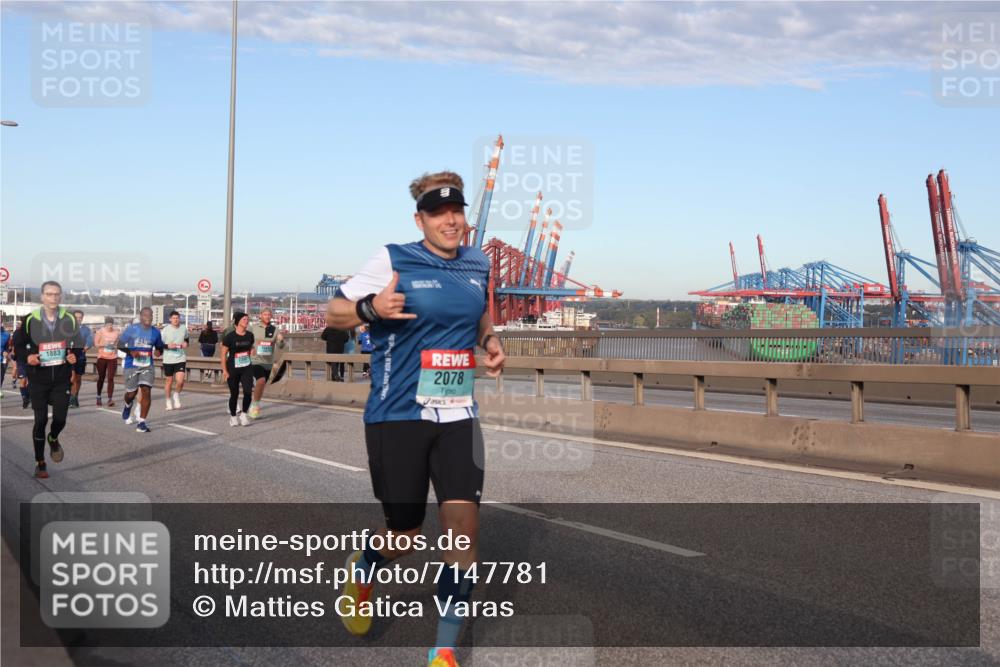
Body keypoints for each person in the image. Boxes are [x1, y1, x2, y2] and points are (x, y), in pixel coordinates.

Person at [325, 171, 506, 667]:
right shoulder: (393, 258)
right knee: (404, 535)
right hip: (397, 414)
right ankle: (364, 568)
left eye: (457, 211)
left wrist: (488, 340)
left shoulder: (478, 262)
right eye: (438, 213)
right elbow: (332, 313)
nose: (451, 221)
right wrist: (370, 307)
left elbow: (474, 315)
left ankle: (443, 651)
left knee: (462, 530)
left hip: (457, 414)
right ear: (420, 219)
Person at [12, 281, 80, 478]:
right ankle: (40, 462)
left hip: (61, 378)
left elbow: (75, 344)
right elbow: (17, 345)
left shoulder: (69, 319)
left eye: (57, 294)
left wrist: (73, 356)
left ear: (61, 296)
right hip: (38, 378)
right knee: (40, 420)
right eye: (49, 294)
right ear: (42, 297)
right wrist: (28, 358)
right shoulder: (29, 320)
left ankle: (53, 437)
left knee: (60, 419)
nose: (53, 298)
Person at [118, 307, 164, 433]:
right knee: (131, 394)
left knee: (146, 390)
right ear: (140, 316)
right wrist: (131, 351)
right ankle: (128, 405)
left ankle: (142, 422)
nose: (148, 318)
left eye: (150, 315)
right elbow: (120, 344)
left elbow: (159, 346)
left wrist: (159, 351)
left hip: (147, 365)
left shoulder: (155, 332)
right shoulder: (132, 329)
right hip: (131, 365)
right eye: (145, 315)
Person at [247, 307, 285, 419]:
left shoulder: (275, 329)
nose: (267, 316)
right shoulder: (253, 328)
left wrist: (281, 340)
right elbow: (245, 340)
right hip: (255, 360)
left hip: (268, 362)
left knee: (262, 384)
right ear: (260, 315)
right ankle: (254, 406)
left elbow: (281, 346)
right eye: (265, 314)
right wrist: (251, 347)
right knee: (261, 380)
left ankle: (255, 402)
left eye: (269, 314)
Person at [221, 312, 254, 427]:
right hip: (233, 368)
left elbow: (251, 348)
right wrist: (225, 370)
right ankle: (233, 417)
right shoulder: (230, 337)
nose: (246, 321)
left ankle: (244, 414)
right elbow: (223, 354)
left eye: (247, 319)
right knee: (234, 394)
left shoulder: (250, 335)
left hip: (246, 368)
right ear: (238, 321)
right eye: (244, 319)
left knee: (248, 392)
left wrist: (252, 351)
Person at [160, 310, 190, 411]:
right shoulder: (165, 330)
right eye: (173, 318)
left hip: (180, 358)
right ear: (170, 319)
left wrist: (186, 343)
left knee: (180, 381)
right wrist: (168, 346)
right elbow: (159, 345)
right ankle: (168, 401)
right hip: (168, 359)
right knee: (169, 381)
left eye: (177, 318)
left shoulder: (183, 328)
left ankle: (176, 395)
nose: (175, 320)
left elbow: (187, 340)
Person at [68, 309, 94, 408]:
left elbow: (90, 341)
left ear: (82, 318)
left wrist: (85, 348)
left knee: (78, 378)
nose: (78, 319)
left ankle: (75, 397)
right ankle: (71, 397)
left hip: (80, 356)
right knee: (72, 377)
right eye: (76, 317)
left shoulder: (86, 329)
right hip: (70, 356)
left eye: (80, 317)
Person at [93, 317, 120, 406]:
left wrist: (115, 346)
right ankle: (98, 396)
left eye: (111, 324)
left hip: (112, 358)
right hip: (102, 357)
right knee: (101, 377)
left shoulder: (116, 332)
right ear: (105, 324)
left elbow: (117, 343)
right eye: (108, 324)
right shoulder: (100, 332)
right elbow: (96, 344)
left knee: (111, 378)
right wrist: (104, 344)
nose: (110, 326)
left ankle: (110, 399)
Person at [0, 320, 9, 399]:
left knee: (1, 376)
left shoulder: (6, 335)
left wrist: (6, 351)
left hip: (2, 359)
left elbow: (7, 347)